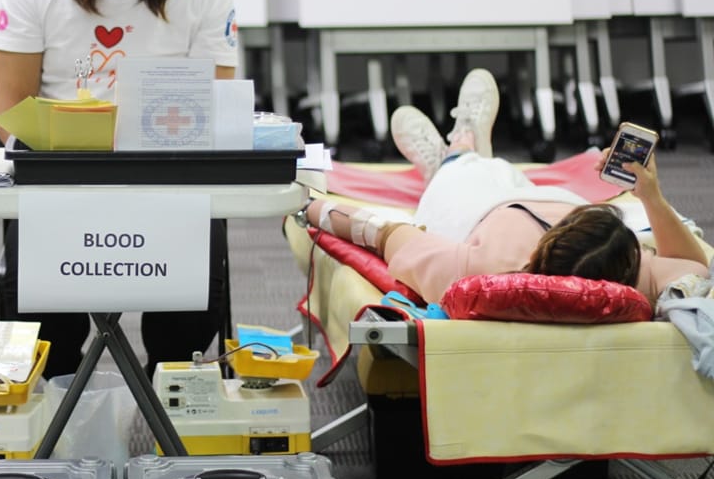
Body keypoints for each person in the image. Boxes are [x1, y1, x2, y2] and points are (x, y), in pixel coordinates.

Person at [0, 0, 240, 378]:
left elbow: (216, 114)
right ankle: (50, 445)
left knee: (184, 351)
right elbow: (10, 114)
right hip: (60, 184)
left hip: (172, 186)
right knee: (42, 349)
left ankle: (172, 438)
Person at [304, 68, 710, 307]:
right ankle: (468, 149)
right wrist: (650, 197)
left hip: (475, 211)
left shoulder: (482, 272)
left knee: (468, 174)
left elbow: (387, 234)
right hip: (545, 198)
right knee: (502, 172)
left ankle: (454, 154)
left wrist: (313, 209)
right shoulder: (640, 275)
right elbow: (697, 266)